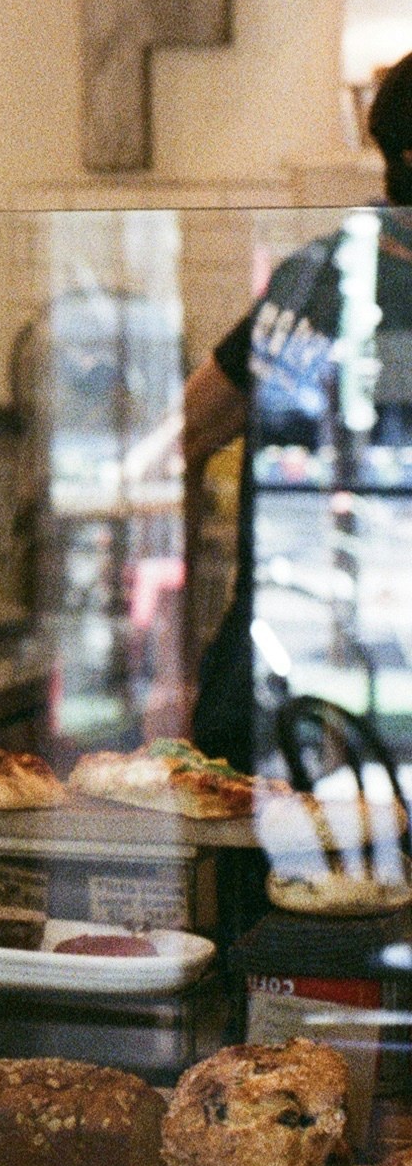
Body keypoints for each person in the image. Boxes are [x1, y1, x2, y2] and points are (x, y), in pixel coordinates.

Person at [184, 54, 412, 768]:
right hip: (360, 729)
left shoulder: (310, 273)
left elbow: (180, 439)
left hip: (263, 696)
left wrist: (203, 637)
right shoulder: (355, 284)